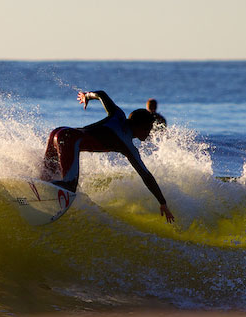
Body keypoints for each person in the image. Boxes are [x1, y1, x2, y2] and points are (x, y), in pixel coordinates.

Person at [42, 90, 175, 223]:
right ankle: (41, 194)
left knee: (48, 175)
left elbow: (101, 94)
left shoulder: (118, 115)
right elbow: (146, 176)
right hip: (70, 140)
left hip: (59, 132)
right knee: (69, 187)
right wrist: (162, 202)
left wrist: (86, 96)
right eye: (147, 128)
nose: (149, 132)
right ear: (138, 126)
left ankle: (36, 189)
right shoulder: (127, 145)